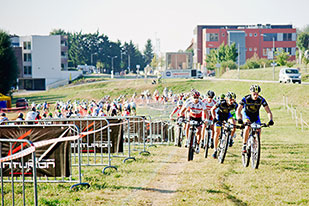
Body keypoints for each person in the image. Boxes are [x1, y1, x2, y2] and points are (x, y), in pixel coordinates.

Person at [236, 85, 274, 154]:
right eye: (254, 94)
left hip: (255, 116)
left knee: (259, 129)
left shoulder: (261, 99)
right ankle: (244, 145)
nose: (256, 96)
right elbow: (238, 110)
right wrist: (239, 118)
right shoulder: (246, 98)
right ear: (251, 92)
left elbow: (268, 111)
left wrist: (270, 120)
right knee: (247, 126)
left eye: (257, 94)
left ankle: (256, 144)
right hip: (246, 115)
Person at [210, 91, 237, 159]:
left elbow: (239, 111)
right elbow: (212, 109)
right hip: (219, 115)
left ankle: (230, 138)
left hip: (227, 115)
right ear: (227, 98)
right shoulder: (221, 102)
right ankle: (215, 150)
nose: (232, 101)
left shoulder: (234, 104)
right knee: (217, 132)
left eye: (233, 100)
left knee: (233, 125)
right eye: (230, 99)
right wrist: (214, 118)